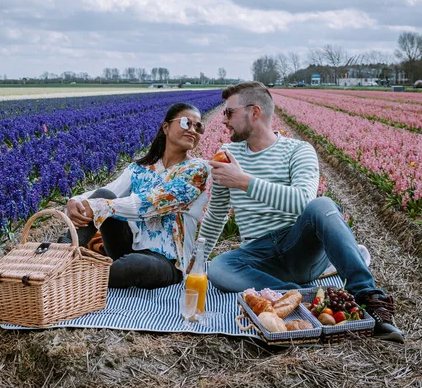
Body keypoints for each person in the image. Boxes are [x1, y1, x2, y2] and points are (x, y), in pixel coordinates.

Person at [198, 81, 404, 343]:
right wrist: (196, 261)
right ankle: (303, 296)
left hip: (299, 248)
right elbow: (216, 215)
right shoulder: (226, 155)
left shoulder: (298, 150)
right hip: (259, 256)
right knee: (217, 268)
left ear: (254, 112)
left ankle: (368, 297)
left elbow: (303, 201)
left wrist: (243, 181)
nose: (223, 120)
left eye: (229, 112)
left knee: (323, 205)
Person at [60, 103, 210, 289]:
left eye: (199, 126)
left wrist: (102, 206)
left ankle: (74, 279)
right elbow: (108, 190)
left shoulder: (197, 170)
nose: (193, 130)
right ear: (166, 127)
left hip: (167, 261)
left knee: (134, 265)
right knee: (103, 194)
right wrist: (76, 200)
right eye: (187, 122)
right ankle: (58, 258)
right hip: (127, 245)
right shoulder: (140, 168)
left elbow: (156, 203)